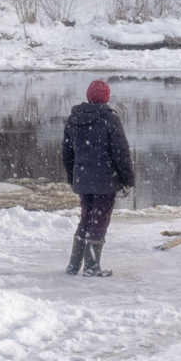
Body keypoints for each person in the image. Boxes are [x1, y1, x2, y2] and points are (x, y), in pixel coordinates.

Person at [61, 79, 134, 277]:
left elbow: (66, 153)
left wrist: (72, 178)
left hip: (83, 179)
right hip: (105, 180)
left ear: (88, 96)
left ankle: (74, 265)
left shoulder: (73, 118)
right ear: (106, 98)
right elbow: (122, 153)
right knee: (98, 222)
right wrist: (128, 181)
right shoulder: (110, 119)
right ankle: (92, 267)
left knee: (86, 218)